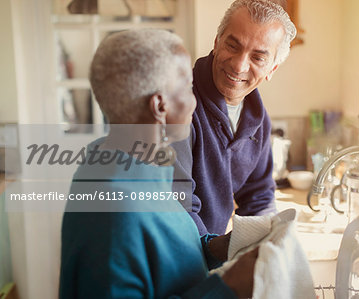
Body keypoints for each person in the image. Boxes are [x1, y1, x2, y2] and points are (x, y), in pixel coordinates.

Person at [59, 29, 258, 299]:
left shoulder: (140, 168)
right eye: (188, 88)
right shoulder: (115, 210)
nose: (194, 101)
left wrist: (218, 247)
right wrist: (227, 289)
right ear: (160, 106)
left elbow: (164, 255)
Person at [180, 0, 297, 235]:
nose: (239, 65)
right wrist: (215, 252)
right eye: (233, 46)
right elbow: (178, 206)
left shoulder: (257, 119)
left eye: (258, 58)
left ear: (271, 69)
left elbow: (259, 195)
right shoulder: (178, 106)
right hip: (175, 257)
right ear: (216, 42)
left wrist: (265, 239)